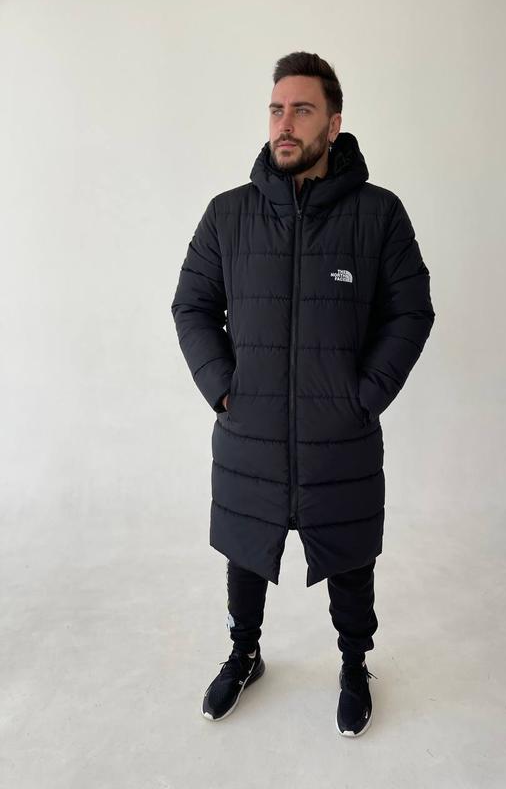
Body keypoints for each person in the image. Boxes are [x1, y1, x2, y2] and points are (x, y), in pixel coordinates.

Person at [171, 51, 435, 736]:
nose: (284, 124)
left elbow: (411, 311)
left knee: (349, 554)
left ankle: (354, 664)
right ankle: (244, 653)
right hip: (250, 431)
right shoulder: (228, 215)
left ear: (333, 123)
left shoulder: (379, 215)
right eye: (276, 109)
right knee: (244, 549)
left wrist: (364, 396)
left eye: (302, 110)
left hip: (339, 434)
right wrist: (224, 390)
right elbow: (191, 306)